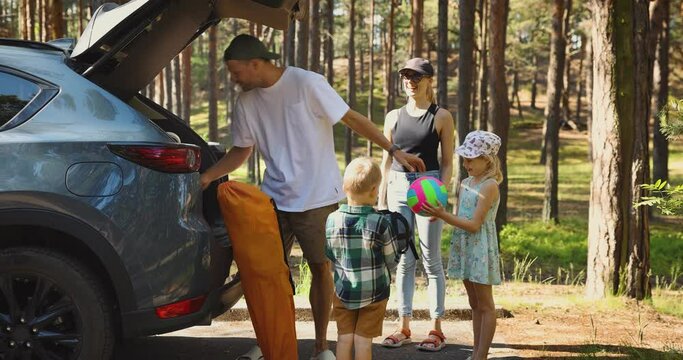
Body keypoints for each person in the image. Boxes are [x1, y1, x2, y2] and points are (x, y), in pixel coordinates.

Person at [199, 34, 425, 360]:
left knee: (321, 271)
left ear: (256, 64)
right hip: (273, 200)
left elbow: (350, 118)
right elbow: (241, 150)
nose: (233, 79)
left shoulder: (306, 84)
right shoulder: (246, 103)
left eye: (236, 72)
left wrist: (393, 149)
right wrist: (208, 175)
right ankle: (271, 344)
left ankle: (321, 348)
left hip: (317, 198)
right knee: (268, 276)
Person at [378, 58, 454, 352]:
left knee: (431, 259)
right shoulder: (392, 116)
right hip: (397, 187)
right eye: (406, 76)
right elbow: (387, 159)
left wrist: (440, 194)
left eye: (416, 76)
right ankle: (404, 325)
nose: (410, 80)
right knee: (404, 260)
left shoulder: (441, 116)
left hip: (428, 188)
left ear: (428, 81)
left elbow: (448, 162)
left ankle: (436, 329)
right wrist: (382, 196)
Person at [421, 130, 503, 360]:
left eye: (470, 158)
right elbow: (462, 215)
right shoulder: (466, 182)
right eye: (464, 158)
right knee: (474, 303)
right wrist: (440, 214)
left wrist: (444, 215)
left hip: (479, 249)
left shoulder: (489, 185)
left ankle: (481, 356)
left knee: (485, 304)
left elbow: (475, 224)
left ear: (486, 158)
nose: (465, 163)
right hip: (465, 247)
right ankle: (477, 352)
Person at [325, 157, 400, 360]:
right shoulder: (380, 222)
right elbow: (392, 260)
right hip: (374, 292)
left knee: (344, 338)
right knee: (363, 341)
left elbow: (330, 254)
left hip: (343, 291)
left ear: (343, 187)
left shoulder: (332, 219)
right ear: (375, 190)